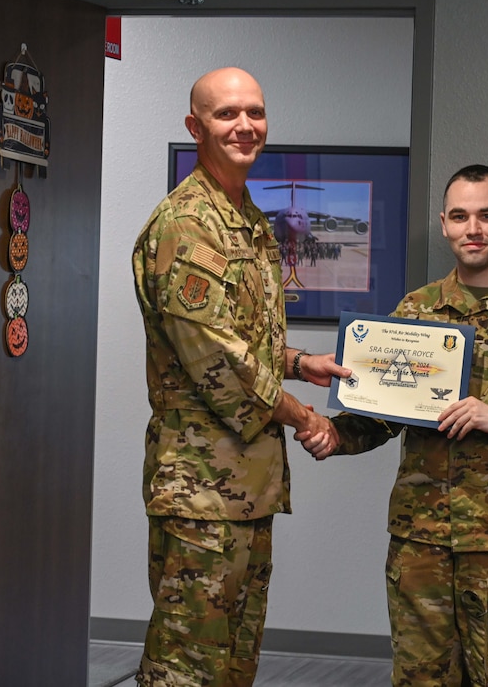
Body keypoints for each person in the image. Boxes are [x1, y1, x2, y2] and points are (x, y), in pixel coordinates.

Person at [297, 165, 488, 686]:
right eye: (461, 216)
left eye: (487, 216)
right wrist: (336, 435)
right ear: (444, 224)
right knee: (421, 679)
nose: (474, 229)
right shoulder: (416, 312)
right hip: (421, 541)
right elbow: (380, 414)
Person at [131, 66, 349, 686]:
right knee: (185, 668)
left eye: (254, 112)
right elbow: (217, 359)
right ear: (195, 126)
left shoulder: (245, 217)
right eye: (227, 114)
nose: (245, 126)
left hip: (246, 487)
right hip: (200, 489)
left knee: (232, 665)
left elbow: (236, 332)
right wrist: (307, 418)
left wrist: (301, 363)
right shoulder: (187, 224)